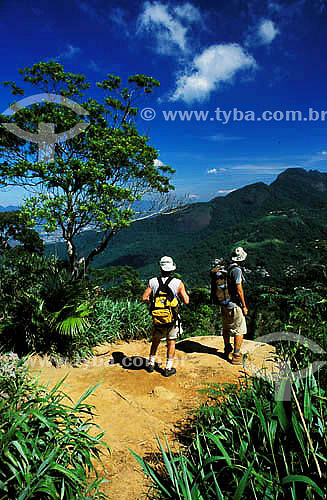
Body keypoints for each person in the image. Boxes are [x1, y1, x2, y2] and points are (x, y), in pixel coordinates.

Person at [142, 256, 189, 377]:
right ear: (172, 269)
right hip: (171, 318)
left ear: (161, 268)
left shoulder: (152, 281)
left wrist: (153, 305)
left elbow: (144, 298)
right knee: (171, 341)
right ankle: (168, 368)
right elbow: (186, 300)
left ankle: (151, 363)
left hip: (157, 317)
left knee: (156, 340)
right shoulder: (178, 283)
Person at [221, 247, 248, 365]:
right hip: (234, 304)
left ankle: (227, 348)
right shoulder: (237, 270)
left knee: (226, 327)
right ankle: (236, 355)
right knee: (240, 329)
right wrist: (244, 305)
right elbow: (239, 289)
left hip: (224, 303)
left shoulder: (227, 268)